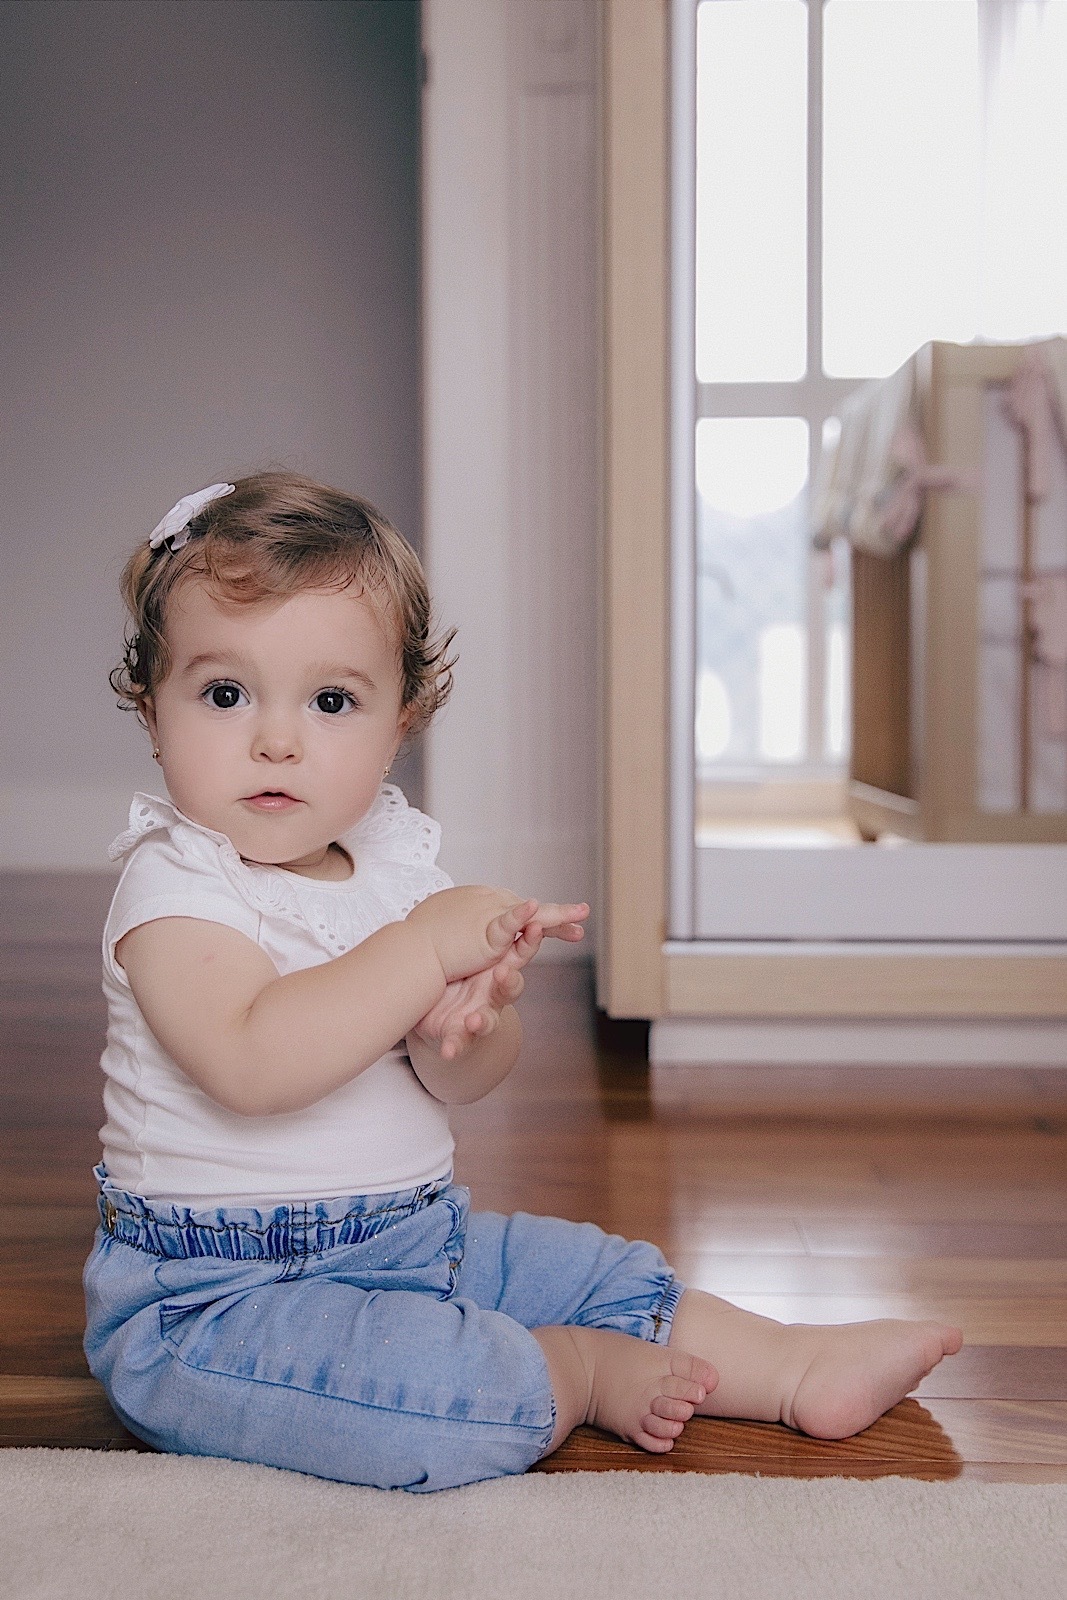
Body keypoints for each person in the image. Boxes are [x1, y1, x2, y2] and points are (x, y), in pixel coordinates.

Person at [83, 471, 963, 1493]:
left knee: (588, 1269)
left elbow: (461, 1080)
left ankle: (789, 1365)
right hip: (214, 1300)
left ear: (398, 720)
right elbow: (250, 1059)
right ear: (153, 712)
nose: (276, 738)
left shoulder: (397, 867)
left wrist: (462, 1023)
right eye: (225, 693)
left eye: (331, 700)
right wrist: (420, 952)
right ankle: (574, 1375)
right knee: (439, 1385)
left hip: (413, 1237)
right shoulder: (175, 881)